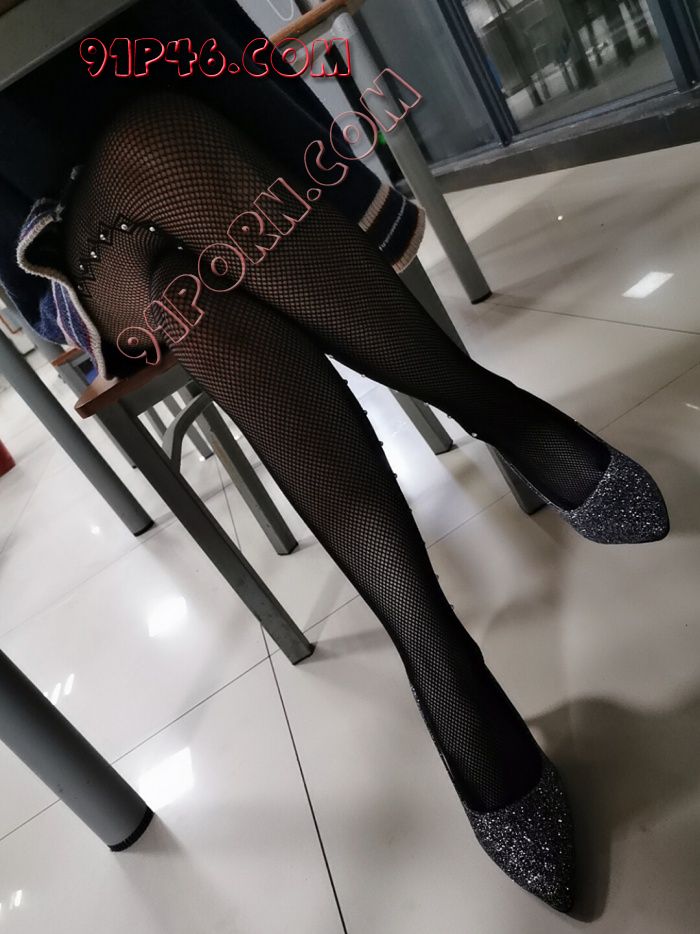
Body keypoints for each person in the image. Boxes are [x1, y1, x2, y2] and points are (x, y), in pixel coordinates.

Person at [0, 0, 669, 913]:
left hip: (213, 124)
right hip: (63, 229)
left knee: (189, 244)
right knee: (163, 201)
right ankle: (498, 422)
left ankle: (440, 661)